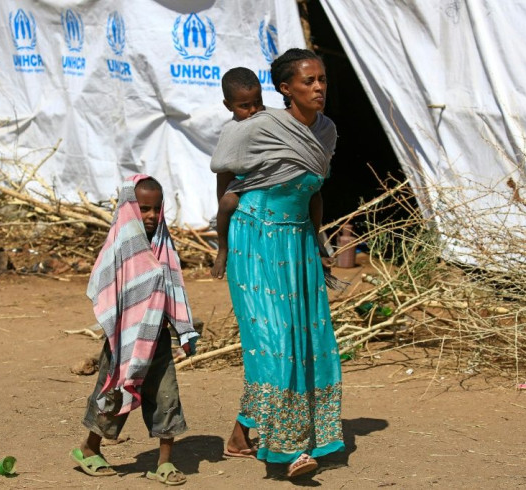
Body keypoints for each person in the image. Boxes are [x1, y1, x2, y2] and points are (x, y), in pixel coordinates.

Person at [210, 48, 344, 479]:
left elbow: (314, 190)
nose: (318, 87)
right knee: (274, 341)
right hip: (257, 238)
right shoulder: (258, 127)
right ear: (285, 89)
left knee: (306, 341)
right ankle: (287, 450)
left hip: (299, 243)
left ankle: (239, 437)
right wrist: (224, 242)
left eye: (322, 79)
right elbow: (224, 174)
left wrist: (320, 242)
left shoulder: (327, 131)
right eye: (308, 81)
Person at [71, 175, 199, 486]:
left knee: (166, 397)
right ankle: (89, 448)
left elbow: (174, 287)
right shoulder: (121, 245)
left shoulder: (163, 245)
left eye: (156, 209)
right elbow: (104, 283)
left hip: (158, 338)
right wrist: (116, 325)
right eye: (144, 209)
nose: (152, 216)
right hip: (123, 340)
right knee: (114, 393)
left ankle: (164, 462)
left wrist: (184, 330)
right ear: (130, 208)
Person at [211, 67, 265, 279]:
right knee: (227, 204)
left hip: (268, 181)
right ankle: (222, 248)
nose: (253, 110)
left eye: (257, 102)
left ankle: (318, 245)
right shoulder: (230, 131)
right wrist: (223, 197)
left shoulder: (270, 121)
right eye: (244, 106)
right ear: (228, 105)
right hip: (241, 183)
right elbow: (222, 170)